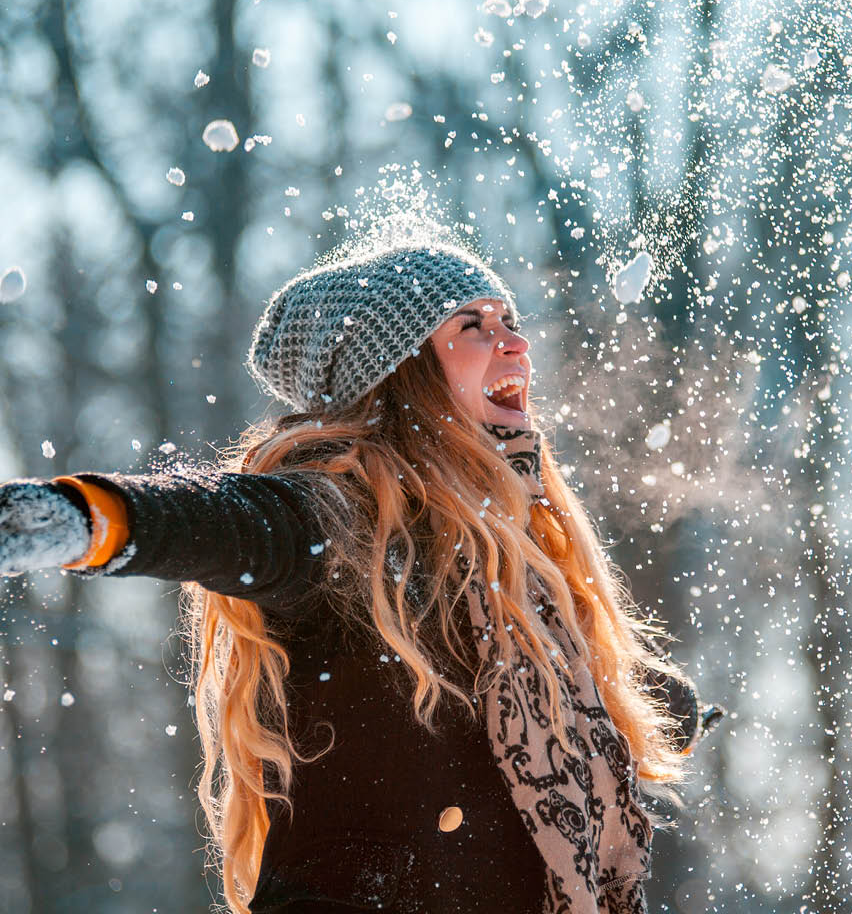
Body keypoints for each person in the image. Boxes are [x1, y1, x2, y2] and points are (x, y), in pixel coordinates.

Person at [0, 219, 724, 914]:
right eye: (472, 327)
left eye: (507, 319)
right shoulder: (342, 520)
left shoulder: (509, 554)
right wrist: (85, 519)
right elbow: (222, 520)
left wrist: (640, 704)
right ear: (401, 371)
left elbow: (522, 693)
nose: (516, 342)